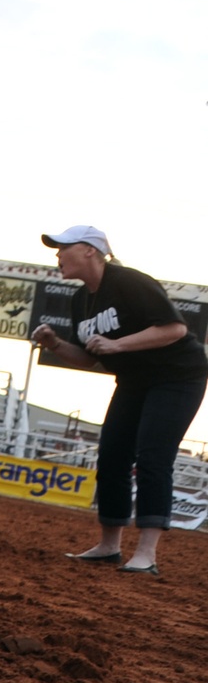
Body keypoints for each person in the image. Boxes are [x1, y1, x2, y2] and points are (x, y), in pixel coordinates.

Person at [32, 225, 208, 575]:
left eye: (63, 247)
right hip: (133, 380)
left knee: (152, 456)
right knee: (112, 454)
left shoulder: (128, 281)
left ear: (89, 251)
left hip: (177, 377)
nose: (56, 255)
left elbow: (175, 329)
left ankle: (146, 554)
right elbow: (88, 357)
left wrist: (118, 345)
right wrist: (54, 343)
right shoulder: (80, 298)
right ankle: (109, 546)